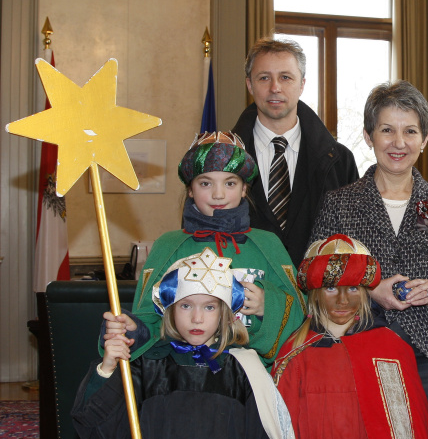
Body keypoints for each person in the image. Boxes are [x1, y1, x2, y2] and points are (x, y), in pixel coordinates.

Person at [72, 248, 309, 439]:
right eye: (186, 306)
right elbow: (106, 438)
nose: (197, 318)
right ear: (170, 309)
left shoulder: (243, 372)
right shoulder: (148, 367)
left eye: (209, 307)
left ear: (225, 313)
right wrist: (109, 368)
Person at [309, 80, 428, 432]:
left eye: (410, 131)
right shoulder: (339, 203)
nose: (398, 143)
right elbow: (315, 277)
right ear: (368, 135)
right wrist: (370, 290)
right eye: (387, 130)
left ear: (424, 140)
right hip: (359, 346)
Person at [272, 234, 428, 439]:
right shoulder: (294, 354)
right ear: (313, 293)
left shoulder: (392, 349)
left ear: (366, 291)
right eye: (329, 288)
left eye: (352, 288)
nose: (342, 300)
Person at [124, 131, 305, 369]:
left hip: (250, 377)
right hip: (182, 376)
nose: (218, 194)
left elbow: (302, 312)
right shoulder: (168, 246)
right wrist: (130, 332)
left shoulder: (268, 244)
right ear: (190, 189)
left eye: (230, 183)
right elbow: (148, 316)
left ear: (244, 189)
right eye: (205, 183)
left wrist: (267, 305)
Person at [232, 37, 359, 267]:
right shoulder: (222, 159)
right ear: (249, 85)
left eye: (285, 77)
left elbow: (355, 245)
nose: (275, 88)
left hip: (320, 300)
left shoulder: (340, 162)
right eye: (264, 78)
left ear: (302, 84)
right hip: (244, 298)